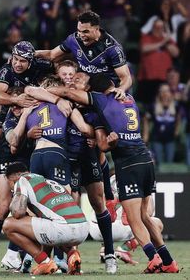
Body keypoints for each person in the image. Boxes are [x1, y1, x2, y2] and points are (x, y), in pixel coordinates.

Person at [47, 72, 179, 273]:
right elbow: (102, 143)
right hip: (146, 158)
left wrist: (43, 91)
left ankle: (154, 259)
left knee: (134, 219)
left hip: (128, 163)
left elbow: (68, 93)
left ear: (96, 90)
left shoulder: (101, 101)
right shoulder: (128, 98)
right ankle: (169, 262)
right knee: (145, 215)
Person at [0, 41, 67, 215]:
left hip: (36, 112)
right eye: (15, 59)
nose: (17, 64)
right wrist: (16, 101)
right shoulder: (7, 69)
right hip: (11, 110)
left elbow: (58, 63)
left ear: (31, 61)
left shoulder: (41, 65)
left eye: (22, 61)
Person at [0, 88, 36, 273]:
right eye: (15, 104)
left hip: (26, 161)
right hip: (5, 159)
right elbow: (13, 144)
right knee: (4, 207)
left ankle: (12, 254)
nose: (17, 107)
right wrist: (27, 129)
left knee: (24, 209)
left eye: (22, 104)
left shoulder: (35, 115)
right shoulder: (9, 118)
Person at [2, 161, 89, 275]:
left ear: (14, 176)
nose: (11, 188)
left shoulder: (22, 180)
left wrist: (13, 201)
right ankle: (72, 255)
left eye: (9, 183)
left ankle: (44, 262)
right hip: (83, 229)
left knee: (8, 225)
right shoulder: (47, 181)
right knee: (49, 225)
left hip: (62, 227)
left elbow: (18, 212)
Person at [35, 10, 132, 99]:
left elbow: (126, 77)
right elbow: (52, 54)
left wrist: (121, 89)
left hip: (106, 94)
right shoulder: (73, 39)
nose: (81, 35)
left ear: (96, 29)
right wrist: (33, 53)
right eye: (79, 31)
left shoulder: (113, 49)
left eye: (85, 32)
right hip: (83, 90)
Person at [90, 174, 164, 266]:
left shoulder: (111, 179)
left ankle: (105, 250)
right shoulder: (138, 179)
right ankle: (123, 249)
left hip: (96, 229)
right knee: (156, 223)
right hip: (121, 228)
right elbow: (148, 213)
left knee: (107, 209)